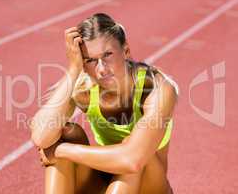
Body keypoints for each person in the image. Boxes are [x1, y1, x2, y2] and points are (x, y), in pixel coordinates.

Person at [30, 13, 178, 194]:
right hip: (106, 182)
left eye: (107, 54)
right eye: (90, 60)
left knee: (133, 149)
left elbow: (133, 160)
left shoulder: (157, 89)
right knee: (64, 133)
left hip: (151, 188)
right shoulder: (84, 88)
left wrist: (61, 151)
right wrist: (73, 69)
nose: (101, 69)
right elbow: (41, 138)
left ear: (126, 51)